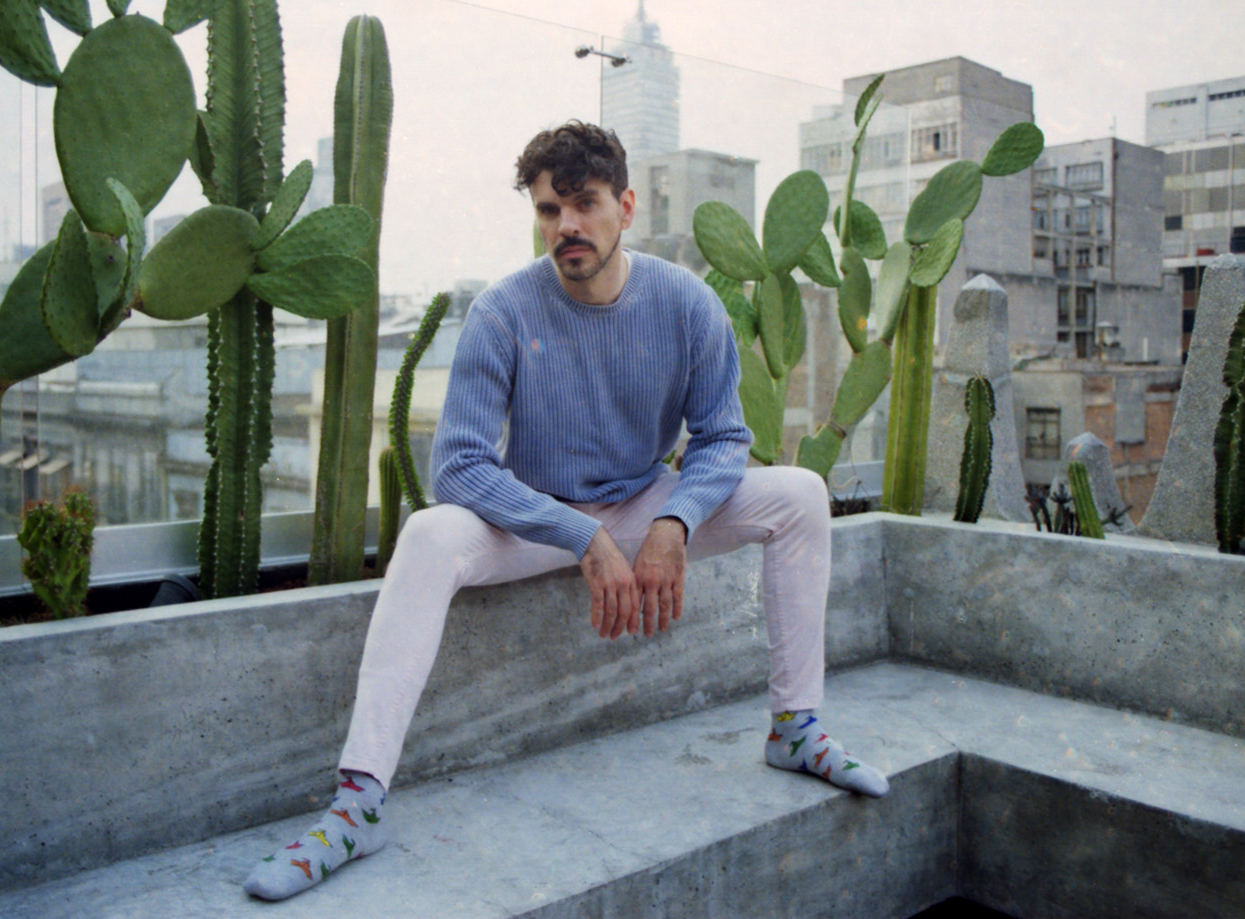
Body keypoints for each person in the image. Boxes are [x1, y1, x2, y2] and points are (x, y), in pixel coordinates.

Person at [243, 121, 888, 902]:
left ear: (626, 207)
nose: (566, 226)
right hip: (540, 520)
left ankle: (796, 728)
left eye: (584, 204)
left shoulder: (686, 304)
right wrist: (579, 533)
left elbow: (724, 437)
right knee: (428, 534)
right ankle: (358, 805)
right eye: (550, 210)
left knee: (801, 494)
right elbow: (458, 465)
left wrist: (675, 521)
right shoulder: (504, 312)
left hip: (644, 503)